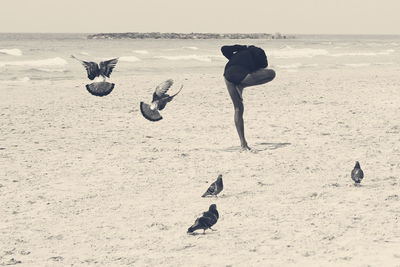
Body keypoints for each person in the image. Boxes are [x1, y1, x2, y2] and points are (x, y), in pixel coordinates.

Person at [221, 44, 276, 150]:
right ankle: (242, 85)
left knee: (238, 109)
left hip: (227, 76)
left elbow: (224, 49)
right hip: (242, 76)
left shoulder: (238, 53)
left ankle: (243, 143)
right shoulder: (257, 55)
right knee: (272, 73)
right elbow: (264, 66)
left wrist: (241, 47)